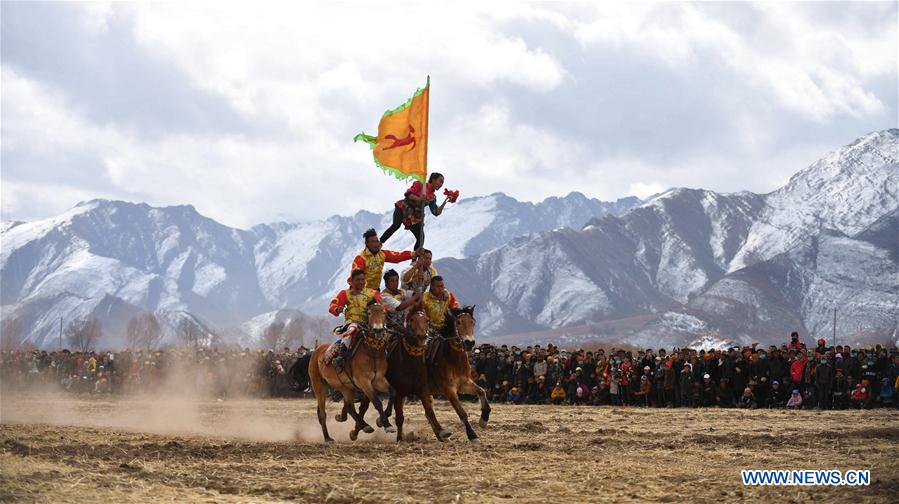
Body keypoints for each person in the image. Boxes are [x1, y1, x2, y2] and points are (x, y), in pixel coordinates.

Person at [326, 269, 384, 368]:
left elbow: (382, 306)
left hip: (370, 323)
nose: (361, 282)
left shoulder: (372, 293)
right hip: (352, 322)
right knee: (353, 329)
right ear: (352, 281)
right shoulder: (345, 293)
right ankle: (342, 355)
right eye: (358, 280)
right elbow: (333, 305)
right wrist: (337, 309)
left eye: (363, 279)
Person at [380, 172, 449, 250]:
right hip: (403, 208)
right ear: (433, 179)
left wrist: (445, 201)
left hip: (414, 217)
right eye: (440, 181)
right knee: (396, 225)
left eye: (442, 183)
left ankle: (414, 260)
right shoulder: (420, 184)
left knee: (421, 238)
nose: (441, 184)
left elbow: (436, 212)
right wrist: (419, 199)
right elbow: (408, 194)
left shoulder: (432, 197)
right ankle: (379, 243)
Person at [351, 228, 418, 291]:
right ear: (367, 244)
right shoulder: (360, 259)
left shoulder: (382, 254)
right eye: (372, 241)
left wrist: (414, 254)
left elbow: (397, 257)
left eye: (377, 241)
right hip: (362, 292)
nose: (376, 244)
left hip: (375, 291)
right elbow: (354, 279)